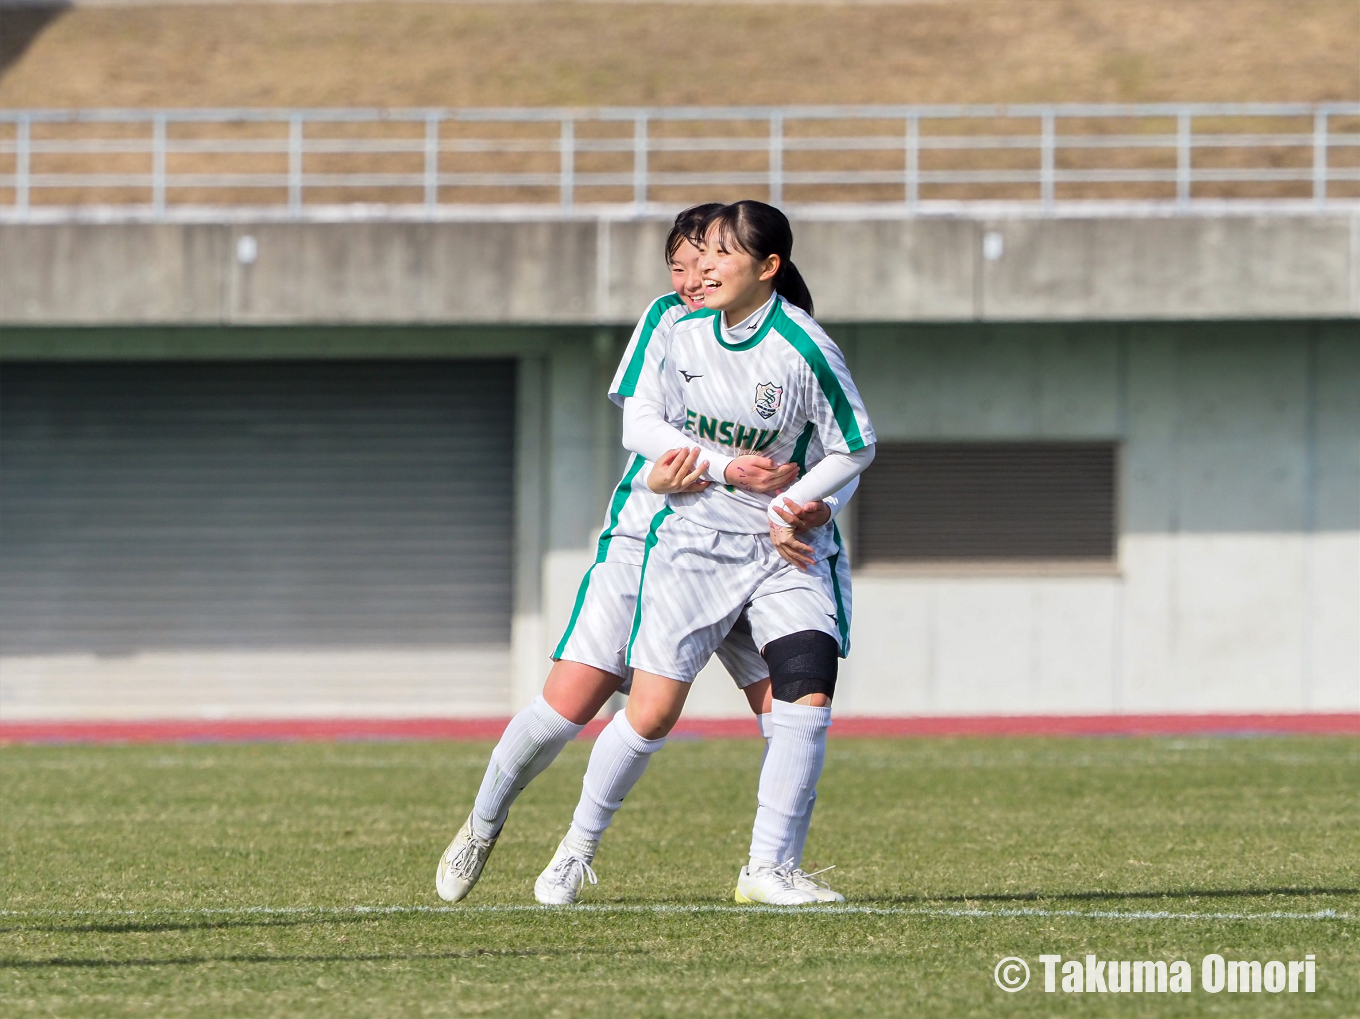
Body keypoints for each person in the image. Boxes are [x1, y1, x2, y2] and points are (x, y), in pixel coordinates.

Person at [434, 205, 851, 904]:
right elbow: (641, 429)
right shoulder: (669, 323)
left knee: (797, 706)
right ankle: (484, 824)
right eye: (681, 265)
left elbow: (841, 450)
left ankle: (770, 866)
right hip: (651, 541)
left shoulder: (795, 344)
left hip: (765, 553)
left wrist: (812, 505)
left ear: (761, 267)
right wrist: (705, 472)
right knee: (571, 706)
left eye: (709, 260)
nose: (693, 277)